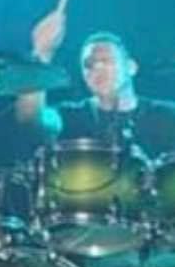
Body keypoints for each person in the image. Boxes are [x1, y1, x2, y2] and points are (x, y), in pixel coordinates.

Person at [15, 9, 175, 156]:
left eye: (106, 60)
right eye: (88, 64)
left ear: (131, 67)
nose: (97, 68)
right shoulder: (71, 116)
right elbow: (29, 119)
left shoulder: (168, 115)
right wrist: (42, 54)